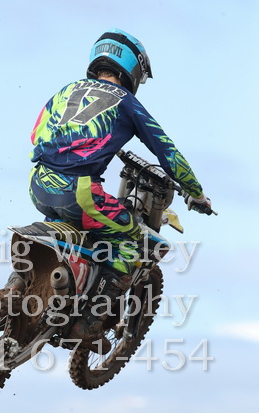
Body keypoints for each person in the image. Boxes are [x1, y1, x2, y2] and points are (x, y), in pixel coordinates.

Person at [27, 28, 211, 353]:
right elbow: (167, 152)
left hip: (37, 184)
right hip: (79, 193)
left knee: (81, 227)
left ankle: (46, 290)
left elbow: (36, 135)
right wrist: (195, 193)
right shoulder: (126, 102)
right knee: (134, 242)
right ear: (134, 68)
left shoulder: (66, 90)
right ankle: (88, 324)